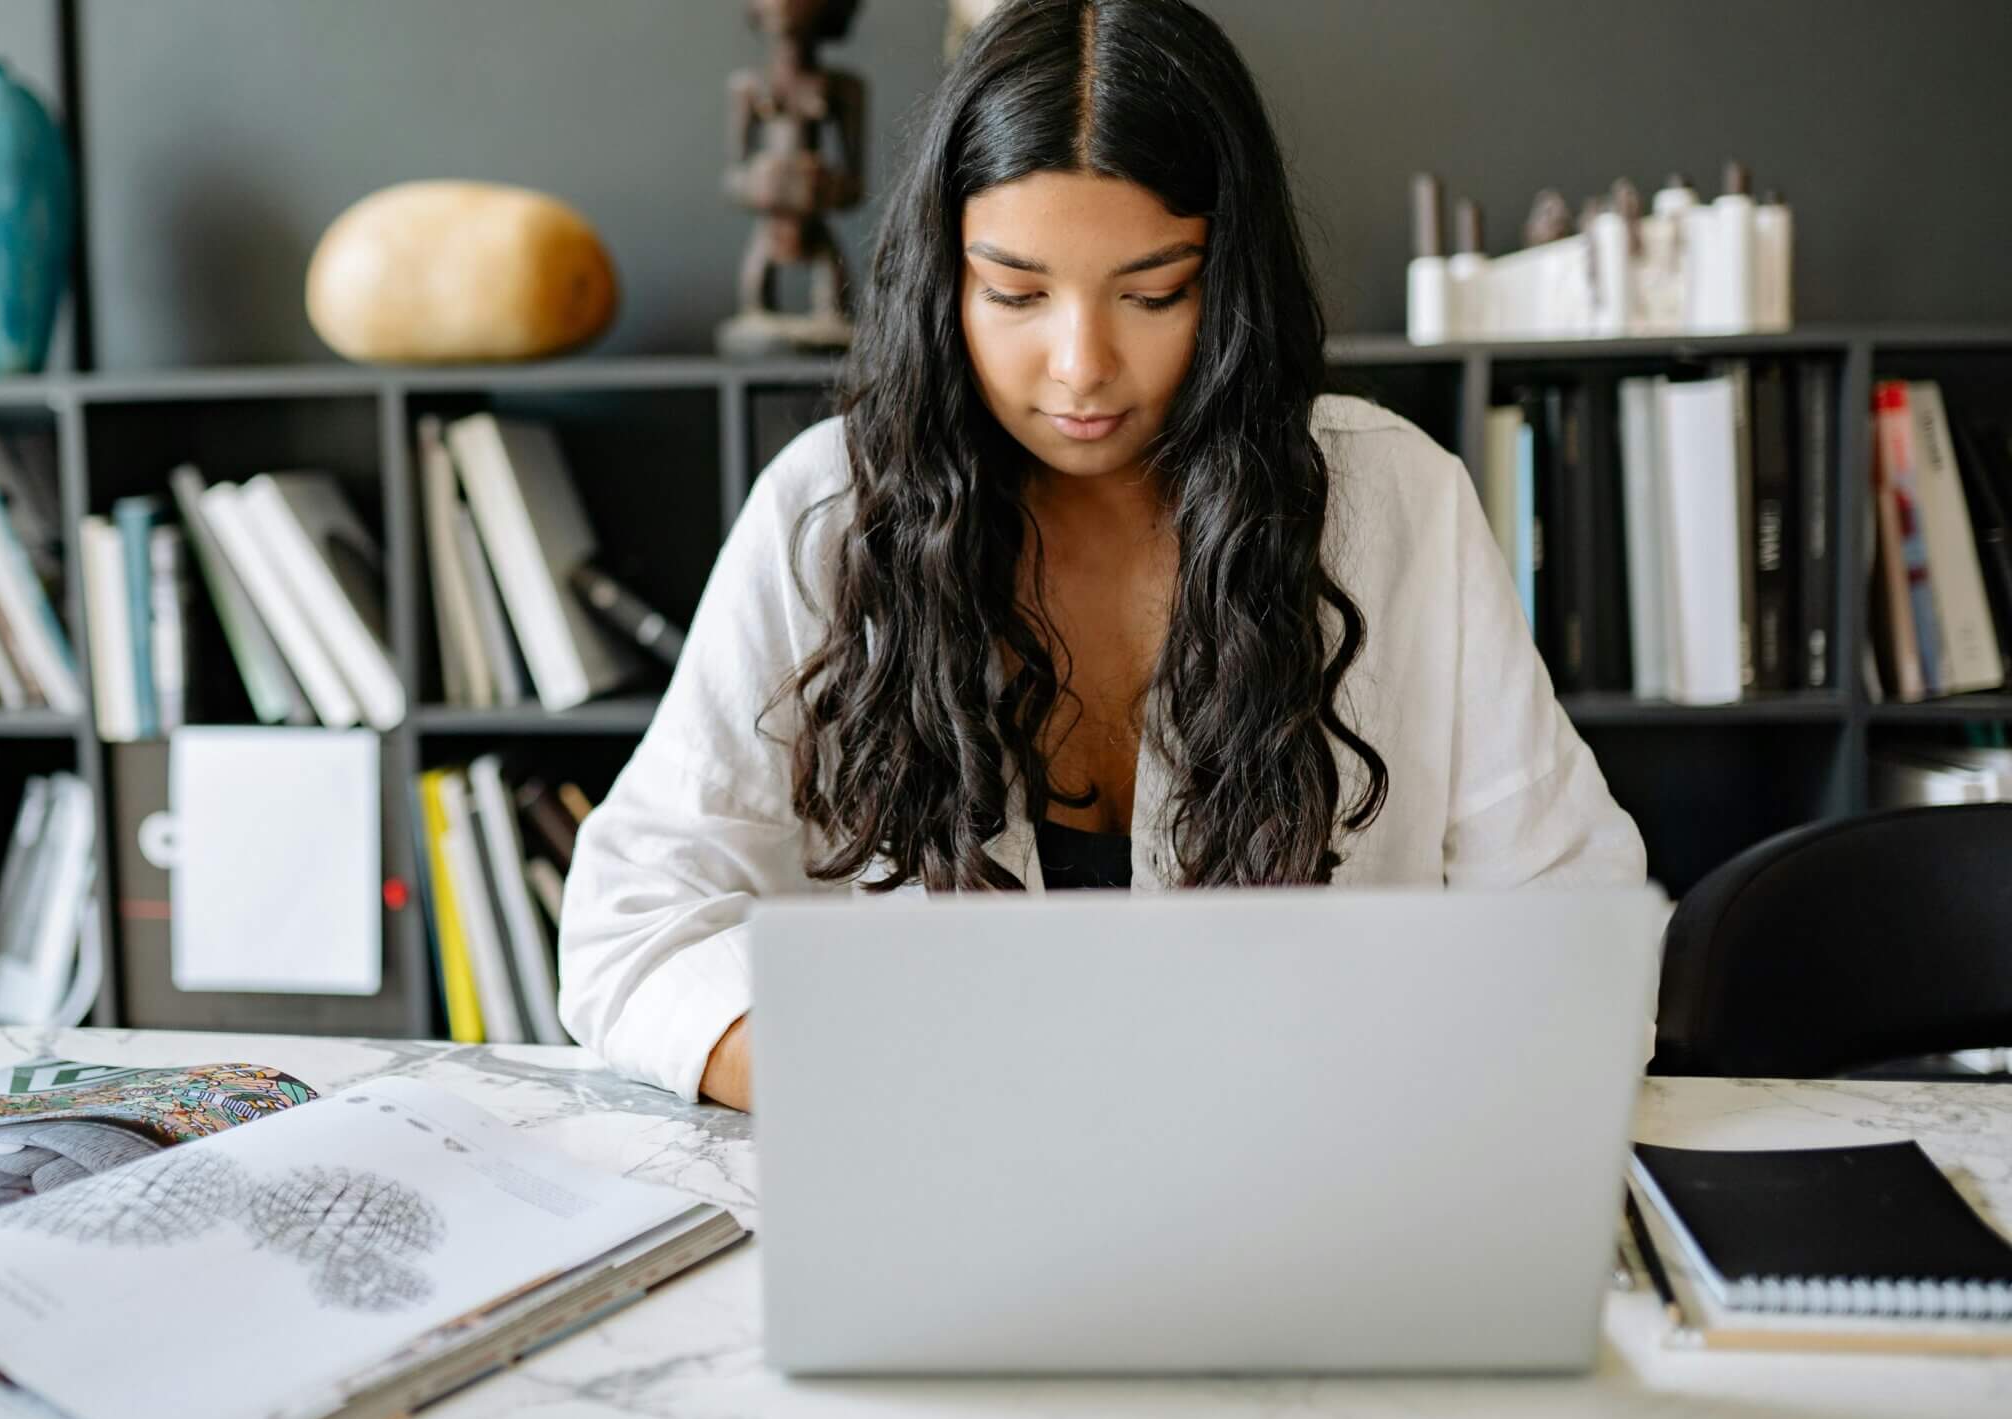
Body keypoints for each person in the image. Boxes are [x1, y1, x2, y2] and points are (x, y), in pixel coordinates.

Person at [558, 0, 1645, 1112]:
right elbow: (629, 927)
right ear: (945, 281)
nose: (1080, 366)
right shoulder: (829, 510)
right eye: (1016, 293)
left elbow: (1577, 921)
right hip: (940, 1192)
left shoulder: (1399, 499)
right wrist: (872, 1091)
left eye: (1152, 292)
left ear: (1230, 285)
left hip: (1312, 1191)